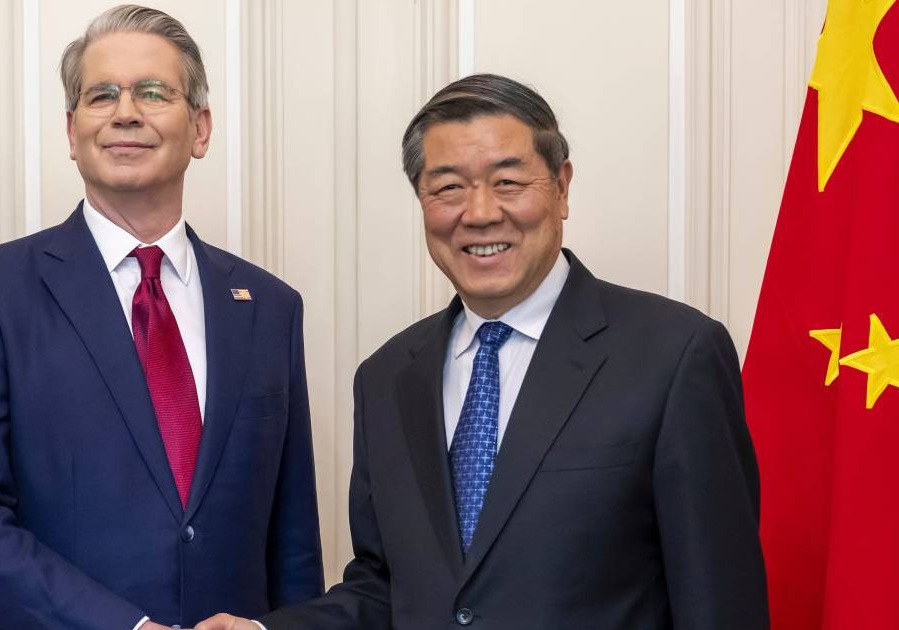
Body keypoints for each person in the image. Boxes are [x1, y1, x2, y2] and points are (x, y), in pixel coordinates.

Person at [198, 74, 767, 630]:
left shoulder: (675, 353)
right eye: (447, 187)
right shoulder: (387, 377)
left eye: (509, 182)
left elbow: (717, 597)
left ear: (562, 187)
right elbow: (387, 587)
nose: (479, 213)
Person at [0, 6, 323, 629]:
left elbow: (291, 536)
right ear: (73, 130)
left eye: (153, 92)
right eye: (101, 95)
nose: (126, 112)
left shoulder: (268, 306)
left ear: (200, 128)